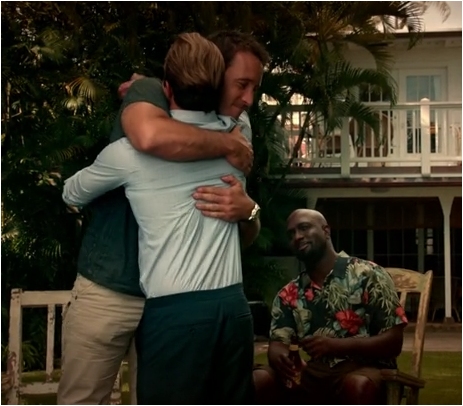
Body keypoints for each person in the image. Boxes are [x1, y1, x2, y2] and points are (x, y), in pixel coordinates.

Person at [57, 30, 268, 405]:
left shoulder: (239, 128)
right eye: (242, 84)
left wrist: (250, 211)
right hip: (113, 287)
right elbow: (150, 135)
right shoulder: (226, 135)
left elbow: (72, 192)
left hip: (176, 304)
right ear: (215, 76)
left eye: (254, 87)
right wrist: (225, 144)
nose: (248, 99)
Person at [254, 209, 408, 405]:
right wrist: (281, 358)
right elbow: (278, 344)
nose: (297, 237)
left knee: (357, 384)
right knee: (261, 379)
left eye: (304, 228)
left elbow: (394, 342)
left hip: (365, 371)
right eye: (291, 234)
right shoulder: (289, 293)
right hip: (314, 374)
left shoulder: (368, 274)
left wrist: (336, 346)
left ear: (326, 231)